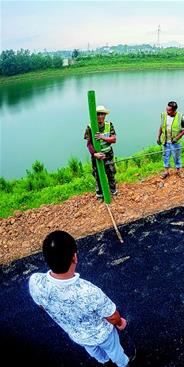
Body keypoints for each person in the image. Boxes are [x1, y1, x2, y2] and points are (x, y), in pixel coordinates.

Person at [28, 231, 134, 367]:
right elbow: (112, 316)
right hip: (103, 335)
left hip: (78, 336)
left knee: (93, 351)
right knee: (114, 350)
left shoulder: (35, 281)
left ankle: (104, 361)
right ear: (74, 258)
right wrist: (120, 323)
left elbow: (41, 304)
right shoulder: (88, 291)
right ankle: (123, 363)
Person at [84, 105, 118, 199]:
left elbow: (114, 139)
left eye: (102, 114)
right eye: (98, 114)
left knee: (111, 172)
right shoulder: (90, 127)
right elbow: (89, 144)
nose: (100, 116)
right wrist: (95, 154)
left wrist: (103, 137)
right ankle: (100, 194)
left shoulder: (109, 125)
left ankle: (113, 191)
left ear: (105, 115)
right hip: (97, 156)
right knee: (97, 174)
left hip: (108, 153)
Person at [157, 101, 184, 179]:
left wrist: (177, 138)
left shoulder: (180, 117)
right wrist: (158, 137)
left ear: (174, 110)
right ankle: (166, 172)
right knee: (165, 156)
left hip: (175, 142)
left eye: (169, 110)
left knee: (176, 156)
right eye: (166, 109)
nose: (167, 111)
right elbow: (161, 127)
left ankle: (179, 171)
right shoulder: (164, 115)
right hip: (165, 141)